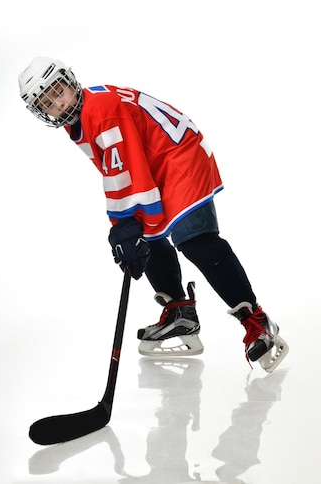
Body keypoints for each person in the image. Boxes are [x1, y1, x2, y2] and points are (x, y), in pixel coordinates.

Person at [18, 56, 289, 372]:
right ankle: (181, 314)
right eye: (48, 102)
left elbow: (126, 169)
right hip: (155, 160)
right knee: (147, 235)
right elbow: (115, 168)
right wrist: (127, 226)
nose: (59, 103)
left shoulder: (101, 112)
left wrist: (123, 225)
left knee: (195, 240)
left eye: (59, 91)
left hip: (180, 156)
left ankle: (256, 321)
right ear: (41, 112)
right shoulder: (77, 120)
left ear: (69, 81)